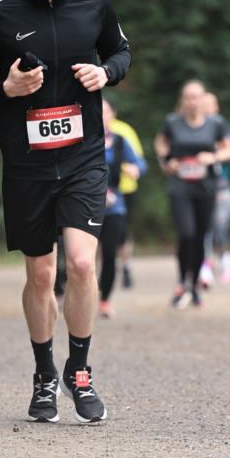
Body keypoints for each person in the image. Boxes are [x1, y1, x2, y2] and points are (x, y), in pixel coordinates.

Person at [0, 0, 131, 424]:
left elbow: (121, 52)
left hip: (83, 157)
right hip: (26, 164)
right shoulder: (0, 15)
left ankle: (79, 373)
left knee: (81, 264)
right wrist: (5, 90)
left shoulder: (95, 4)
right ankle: (43, 377)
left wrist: (105, 72)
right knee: (40, 273)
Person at [154, 79, 230, 308]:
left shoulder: (215, 123)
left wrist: (213, 157)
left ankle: (195, 285)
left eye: (196, 96)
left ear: (203, 98)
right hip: (180, 188)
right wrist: (166, 161)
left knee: (200, 237)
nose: (192, 101)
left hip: (206, 188)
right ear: (182, 100)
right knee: (186, 235)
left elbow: (229, 150)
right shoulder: (173, 122)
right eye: (188, 97)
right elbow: (161, 143)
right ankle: (182, 282)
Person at [99, 99, 146, 318]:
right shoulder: (80, 141)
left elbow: (140, 164)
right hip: (82, 205)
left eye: (105, 112)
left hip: (113, 206)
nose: (101, 116)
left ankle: (104, 300)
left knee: (109, 254)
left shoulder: (119, 141)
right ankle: (73, 294)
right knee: (81, 258)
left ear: (112, 116)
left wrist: (134, 169)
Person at [199, 91, 230, 287]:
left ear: (216, 107)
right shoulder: (191, 127)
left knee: (220, 225)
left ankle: (225, 257)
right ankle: (205, 266)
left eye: (209, 105)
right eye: (202, 104)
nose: (206, 108)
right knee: (204, 227)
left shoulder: (221, 127)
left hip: (222, 185)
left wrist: (213, 156)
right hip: (199, 186)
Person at [108, 100, 145, 289]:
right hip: (99, 191)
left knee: (122, 234)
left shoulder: (124, 131)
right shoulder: (89, 127)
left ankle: (126, 266)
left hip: (125, 189)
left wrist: (133, 169)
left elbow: (138, 161)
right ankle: (102, 272)